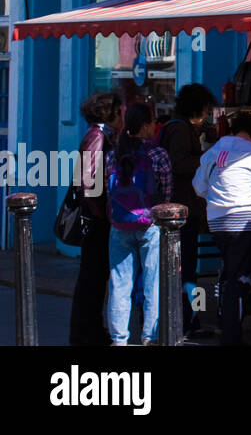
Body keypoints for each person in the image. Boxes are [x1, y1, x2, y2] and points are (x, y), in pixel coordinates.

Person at [193, 111, 251, 346]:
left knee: (228, 271)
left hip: (216, 221)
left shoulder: (214, 151)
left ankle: (223, 325)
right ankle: (231, 334)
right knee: (239, 277)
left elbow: (198, 186)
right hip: (244, 221)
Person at [106, 104, 172, 346]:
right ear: (145, 126)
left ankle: (119, 339)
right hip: (150, 225)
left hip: (120, 224)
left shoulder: (113, 154)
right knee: (152, 283)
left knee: (119, 283)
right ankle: (149, 336)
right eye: (153, 121)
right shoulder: (158, 155)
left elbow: (107, 189)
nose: (155, 126)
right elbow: (166, 193)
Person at [159, 82, 216, 338]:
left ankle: (183, 318)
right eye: (205, 108)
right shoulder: (181, 130)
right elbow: (178, 163)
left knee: (182, 267)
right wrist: (206, 158)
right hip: (182, 210)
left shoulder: (177, 127)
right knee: (186, 267)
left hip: (180, 208)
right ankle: (187, 320)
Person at [69, 92, 124, 346]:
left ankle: (91, 328)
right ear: (108, 113)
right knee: (92, 277)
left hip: (98, 214)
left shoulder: (101, 135)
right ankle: (85, 332)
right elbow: (86, 180)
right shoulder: (97, 137)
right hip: (95, 218)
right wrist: (101, 211)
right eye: (118, 110)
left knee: (96, 276)